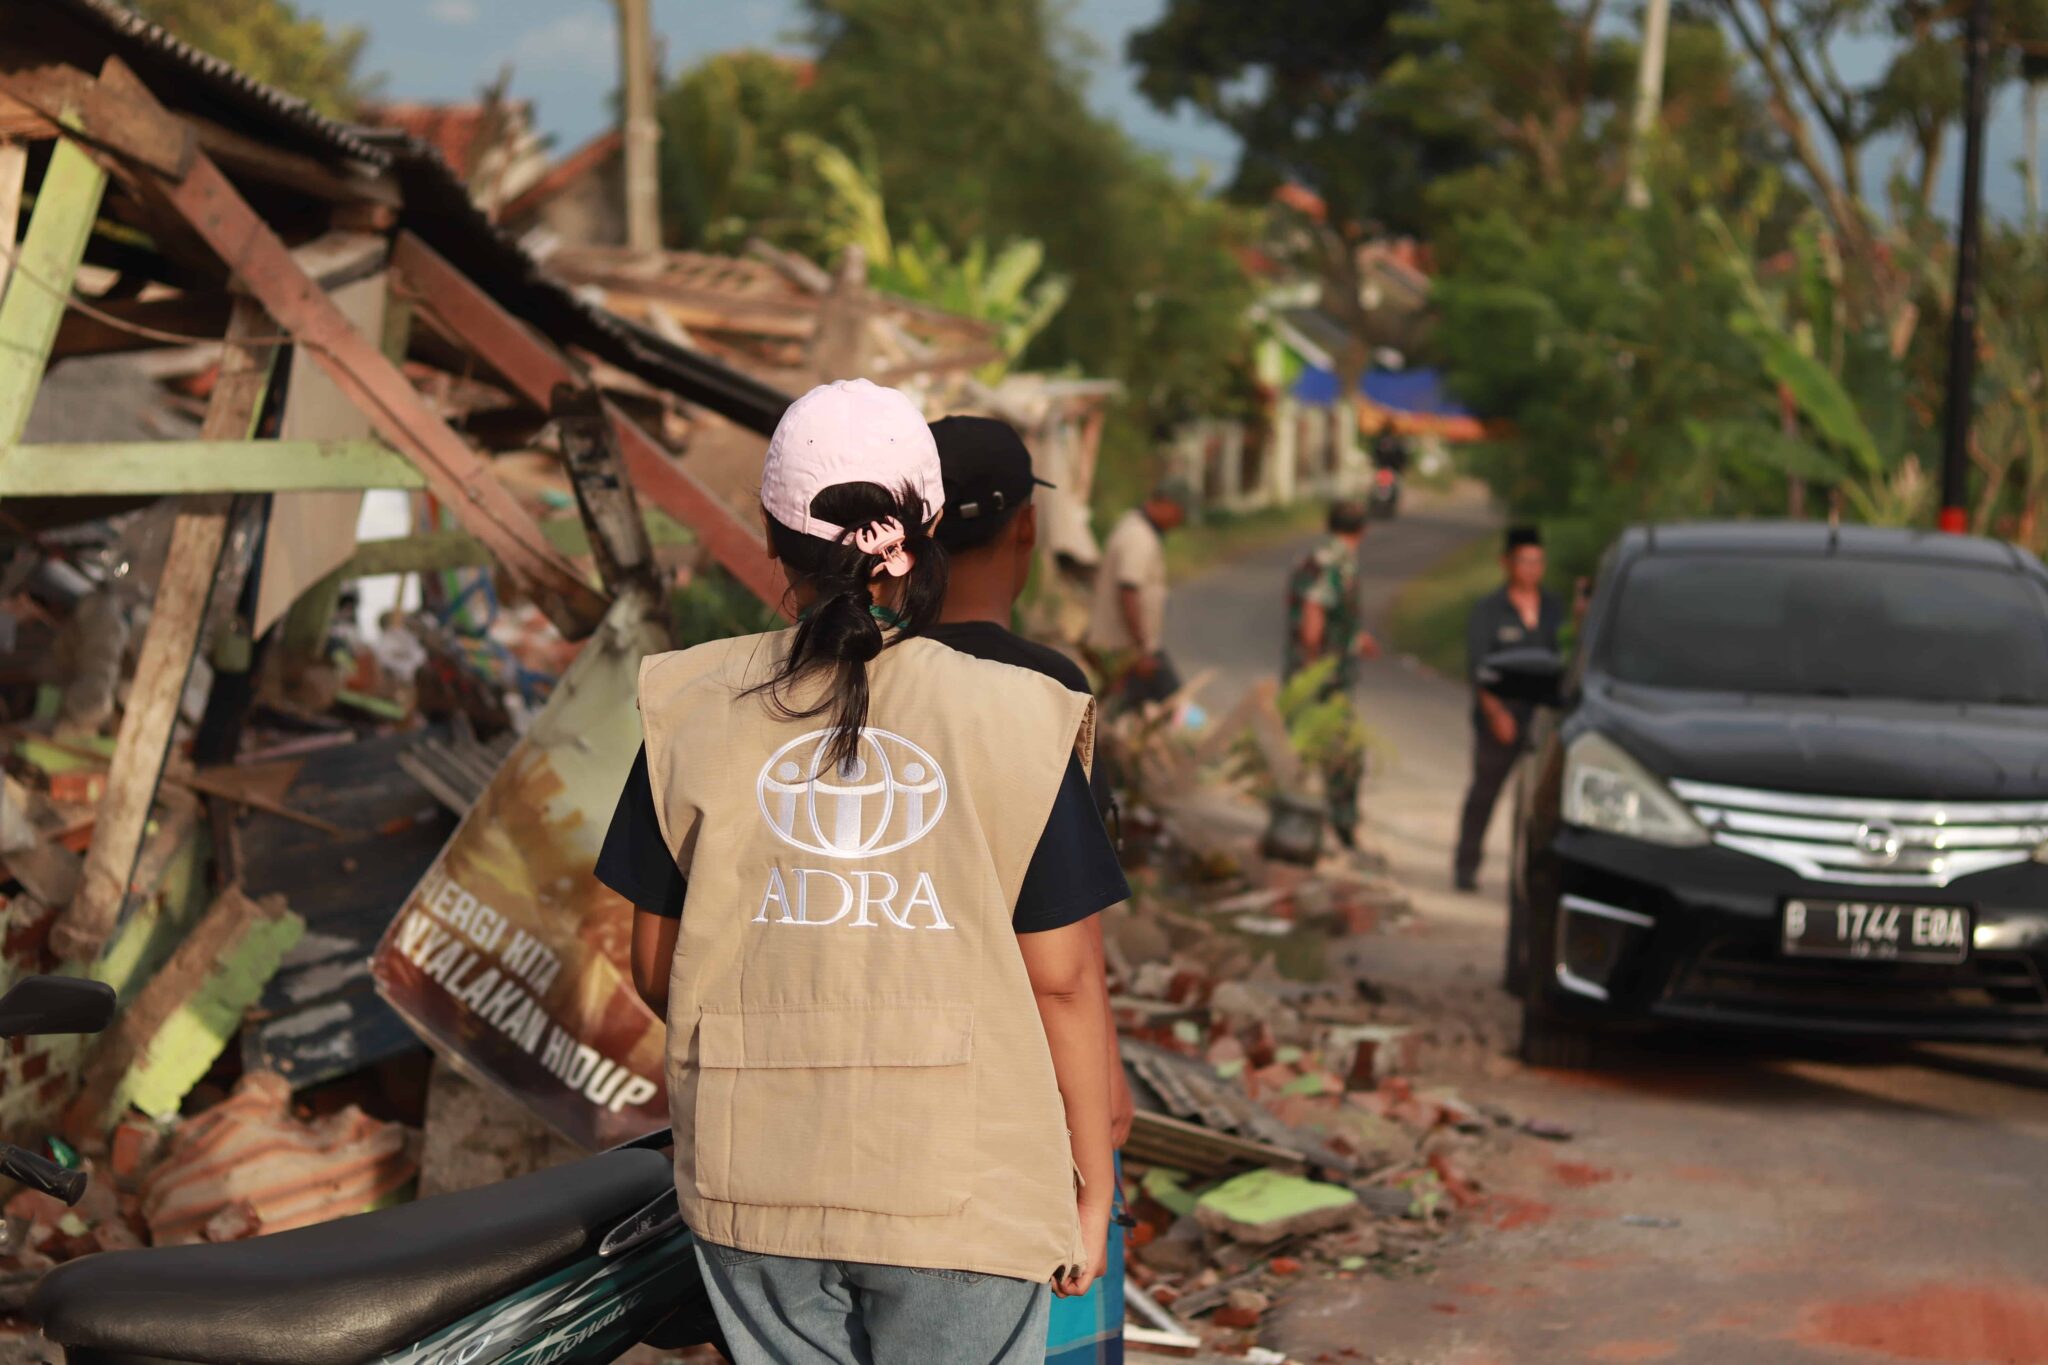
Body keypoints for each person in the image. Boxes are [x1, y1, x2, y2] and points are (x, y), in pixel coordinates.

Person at [595, 380, 1128, 1365]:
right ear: (920, 532)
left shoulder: (690, 705)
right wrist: (1090, 1185)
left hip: (753, 1184)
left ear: (769, 531)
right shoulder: (1015, 715)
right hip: (960, 1186)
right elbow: (1062, 978)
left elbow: (660, 967)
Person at [925, 414, 1133, 1365]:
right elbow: (1065, 962)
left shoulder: (851, 678)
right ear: (1026, 532)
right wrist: (1098, 1139)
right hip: (1008, 1122)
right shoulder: (1044, 694)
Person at [1454, 524, 1565, 892]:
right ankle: (1466, 866)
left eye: (1538, 562)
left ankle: (1538, 879)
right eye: (1524, 562)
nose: (1532, 569)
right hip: (1501, 714)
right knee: (1485, 792)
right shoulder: (1489, 610)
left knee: (1546, 802)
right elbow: (1479, 667)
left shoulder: (1554, 609)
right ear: (1507, 563)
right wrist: (1496, 713)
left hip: (1544, 717)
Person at [1284, 499, 1379, 847]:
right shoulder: (1336, 561)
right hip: (1324, 678)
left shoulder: (1315, 556)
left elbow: (1320, 611)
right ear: (1363, 530)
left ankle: (1302, 827)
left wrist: (1355, 638)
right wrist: (1314, 669)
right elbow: (1313, 614)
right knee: (1340, 752)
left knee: (1307, 748)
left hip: (1314, 671)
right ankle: (1338, 827)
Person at [1085, 481, 1190, 709]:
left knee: (1136, 713)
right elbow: (1128, 590)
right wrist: (1140, 652)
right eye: (1179, 514)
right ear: (1167, 505)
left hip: (1131, 649)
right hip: (1126, 651)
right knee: (1174, 707)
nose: (1178, 522)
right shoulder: (1138, 536)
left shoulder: (1135, 527)